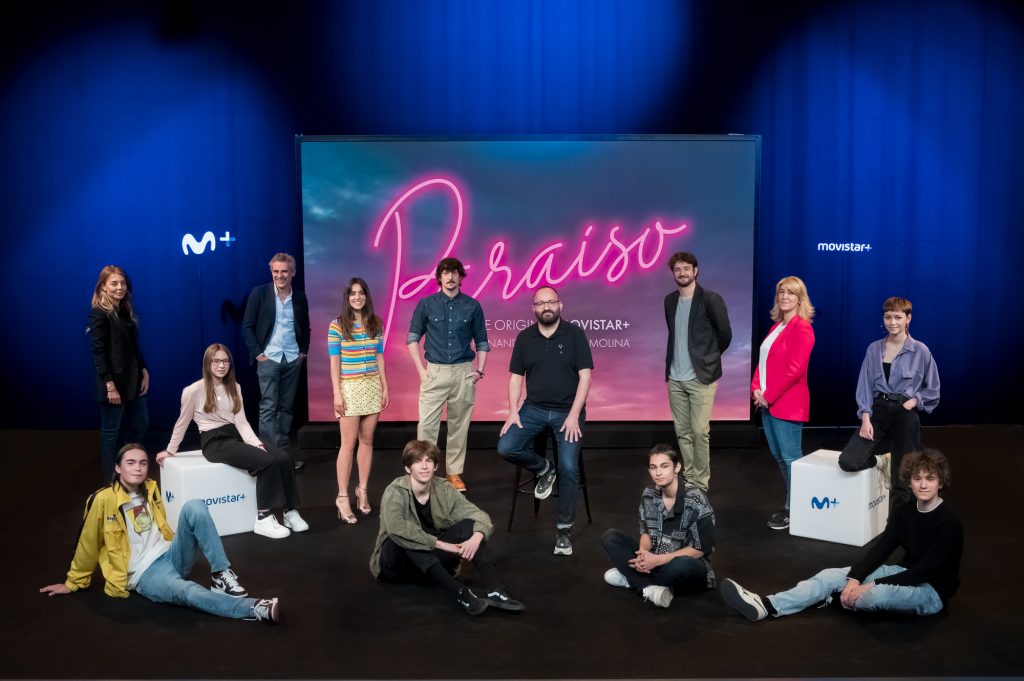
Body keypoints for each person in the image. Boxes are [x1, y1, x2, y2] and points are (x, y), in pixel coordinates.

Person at [40, 443, 280, 623]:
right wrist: (74, 582)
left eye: (143, 463)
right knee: (187, 590)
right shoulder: (103, 500)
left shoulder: (150, 488)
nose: (138, 468)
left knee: (194, 505)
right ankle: (254, 609)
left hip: (170, 554)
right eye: (130, 463)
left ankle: (220, 573)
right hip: (145, 574)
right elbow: (87, 542)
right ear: (118, 467)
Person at [721, 448, 962, 621]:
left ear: (940, 482)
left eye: (930, 479)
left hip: (932, 591)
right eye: (917, 479)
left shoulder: (948, 523)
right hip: (903, 572)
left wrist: (871, 585)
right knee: (831, 576)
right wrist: (856, 577)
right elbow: (883, 548)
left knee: (873, 596)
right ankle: (767, 605)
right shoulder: (904, 511)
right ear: (909, 482)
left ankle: (835, 597)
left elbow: (924, 571)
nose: (923, 485)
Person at [155, 344, 307, 539]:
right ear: (208, 363)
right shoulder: (193, 390)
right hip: (214, 442)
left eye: (225, 361)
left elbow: (241, 422)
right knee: (266, 462)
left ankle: (289, 511)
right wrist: (170, 450)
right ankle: (263, 517)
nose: (221, 365)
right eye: (216, 361)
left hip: (234, 436)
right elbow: (182, 423)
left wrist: (257, 444)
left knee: (283, 457)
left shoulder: (235, 387)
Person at [370, 440, 525, 616]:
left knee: (469, 525)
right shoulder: (395, 490)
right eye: (417, 461)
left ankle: (496, 589)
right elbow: (396, 528)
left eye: (429, 461)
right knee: (409, 537)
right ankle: (461, 593)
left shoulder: (443, 488)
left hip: (429, 564)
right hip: (395, 565)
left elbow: (478, 515)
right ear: (408, 468)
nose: (424, 467)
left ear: (435, 466)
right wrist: (442, 545)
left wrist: (476, 537)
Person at [497, 286, 594, 556]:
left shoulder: (575, 334)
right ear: (534, 309)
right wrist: (513, 411)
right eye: (541, 303)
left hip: (568, 412)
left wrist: (574, 414)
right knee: (506, 447)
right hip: (534, 408)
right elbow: (516, 378)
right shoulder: (525, 338)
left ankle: (563, 529)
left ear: (560, 305)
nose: (546, 307)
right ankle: (544, 468)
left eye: (551, 302)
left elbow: (585, 377)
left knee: (569, 467)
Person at [839, 297, 940, 508]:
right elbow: (865, 385)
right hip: (878, 412)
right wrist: (865, 417)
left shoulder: (920, 350)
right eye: (888, 317)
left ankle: (897, 526)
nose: (892, 322)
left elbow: (933, 389)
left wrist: (913, 402)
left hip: (905, 415)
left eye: (898, 317)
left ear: (908, 319)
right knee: (848, 461)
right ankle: (881, 461)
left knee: (901, 480)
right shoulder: (874, 349)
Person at [406, 257, 489, 492]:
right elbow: (412, 338)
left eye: (454, 273)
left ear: (460, 277)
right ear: (439, 277)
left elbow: (482, 342)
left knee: (459, 426)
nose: (450, 277)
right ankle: (425, 474)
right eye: (445, 272)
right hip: (435, 371)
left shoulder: (472, 306)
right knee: (426, 428)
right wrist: (421, 371)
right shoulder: (426, 304)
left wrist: (480, 371)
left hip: (463, 372)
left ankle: (453, 473)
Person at [601, 444, 716, 609]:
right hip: (656, 558)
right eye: (653, 467)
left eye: (664, 466)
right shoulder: (649, 494)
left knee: (682, 563)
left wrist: (657, 560)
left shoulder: (695, 499)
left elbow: (700, 549)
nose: (658, 472)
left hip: (688, 565)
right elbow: (646, 531)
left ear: (677, 467)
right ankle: (652, 588)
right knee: (611, 537)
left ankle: (633, 580)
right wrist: (643, 554)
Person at [663, 252, 733, 492]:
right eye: (677, 269)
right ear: (673, 273)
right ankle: (690, 477)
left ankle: (701, 483)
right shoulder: (669, 301)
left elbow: (725, 334)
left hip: (701, 377)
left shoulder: (711, 299)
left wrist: (708, 359)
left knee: (699, 432)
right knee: (682, 432)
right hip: (675, 378)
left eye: (686, 268)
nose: (682, 273)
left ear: (696, 271)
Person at [750, 275, 816, 531]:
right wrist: (756, 389)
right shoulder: (775, 327)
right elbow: (763, 363)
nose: (784, 296)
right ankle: (794, 504)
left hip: (787, 404)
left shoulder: (803, 328)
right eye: (781, 292)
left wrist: (767, 396)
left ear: (800, 298)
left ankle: (796, 507)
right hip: (767, 403)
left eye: (790, 293)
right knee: (780, 458)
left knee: (791, 459)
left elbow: (794, 370)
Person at [329, 277, 390, 523]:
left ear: (366, 296)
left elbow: (379, 357)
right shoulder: (337, 325)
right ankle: (342, 497)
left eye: (361, 292)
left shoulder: (376, 323)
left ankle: (362, 490)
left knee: (367, 441)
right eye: (353, 293)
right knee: (347, 444)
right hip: (349, 388)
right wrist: (337, 393)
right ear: (347, 297)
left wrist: (385, 387)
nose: (357, 297)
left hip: (372, 386)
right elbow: (334, 362)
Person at [242, 253, 311, 466]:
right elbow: (247, 326)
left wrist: (303, 352)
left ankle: (283, 457)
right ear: (271, 272)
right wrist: (258, 354)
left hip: (292, 358)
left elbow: (305, 327)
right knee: (268, 407)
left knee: (286, 409)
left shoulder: (299, 297)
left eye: (284, 271)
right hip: (269, 358)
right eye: (276, 271)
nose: (280, 276)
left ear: (292, 273)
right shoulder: (259, 293)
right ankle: (269, 457)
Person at [89, 265, 150, 482]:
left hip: (133, 379)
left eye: (122, 283)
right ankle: (111, 480)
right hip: (112, 383)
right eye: (114, 283)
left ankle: (125, 463)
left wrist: (144, 370)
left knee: (141, 424)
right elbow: (99, 352)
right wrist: (109, 385)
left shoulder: (125, 312)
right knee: (110, 433)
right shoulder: (99, 313)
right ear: (103, 287)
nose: (119, 287)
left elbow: (134, 347)